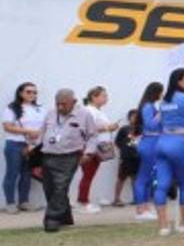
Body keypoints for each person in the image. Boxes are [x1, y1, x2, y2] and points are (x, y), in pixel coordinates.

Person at [154, 68, 184, 236]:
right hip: (182, 143)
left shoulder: (164, 101)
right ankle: (183, 223)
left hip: (162, 142)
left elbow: (156, 123)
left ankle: (163, 226)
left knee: (162, 185)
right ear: (179, 82)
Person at [38, 88, 96, 232]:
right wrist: (33, 148)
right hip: (48, 155)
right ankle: (65, 217)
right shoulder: (51, 113)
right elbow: (42, 132)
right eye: (57, 104)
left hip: (69, 156)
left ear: (74, 102)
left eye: (63, 104)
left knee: (60, 187)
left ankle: (52, 219)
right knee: (50, 189)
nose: (60, 107)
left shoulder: (84, 114)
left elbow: (92, 136)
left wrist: (88, 153)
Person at [3, 82, 44, 212]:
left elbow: (45, 125)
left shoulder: (40, 108)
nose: (32, 94)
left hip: (33, 146)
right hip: (15, 144)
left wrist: (38, 136)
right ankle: (10, 203)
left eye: (35, 92)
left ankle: (24, 202)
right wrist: (28, 132)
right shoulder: (12, 108)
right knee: (12, 174)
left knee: (27, 174)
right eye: (28, 92)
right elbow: (7, 126)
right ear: (20, 93)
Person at [78, 86, 119, 214]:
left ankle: (85, 200)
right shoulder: (87, 111)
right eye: (103, 96)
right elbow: (86, 129)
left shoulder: (98, 111)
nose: (106, 99)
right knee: (88, 175)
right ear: (93, 97)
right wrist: (108, 128)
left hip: (100, 146)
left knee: (90, 175)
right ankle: (83, 202)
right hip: (91, 147)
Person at [132, 82, 164, 222]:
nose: (163, 94)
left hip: (154, 143)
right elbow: (150, 125)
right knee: (143, 177)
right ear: (156, 92)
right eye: (162, 91)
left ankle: (145, 207)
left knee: (150, 177)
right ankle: (140, 209)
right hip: (149, 143)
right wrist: (162, 114)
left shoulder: (151, 106)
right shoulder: (148, 106)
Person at [111, 110, 140, 209]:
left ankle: (137, 198)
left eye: (137, 116)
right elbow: (117, 142)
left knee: (135, 178)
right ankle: (117, 199)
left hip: (138, 158)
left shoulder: (141, 129)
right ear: (129, 117)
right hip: (126, 157)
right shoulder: (124, 129)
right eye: (133, 116)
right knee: (121, 178)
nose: (135, 118)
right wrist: (125, 150)